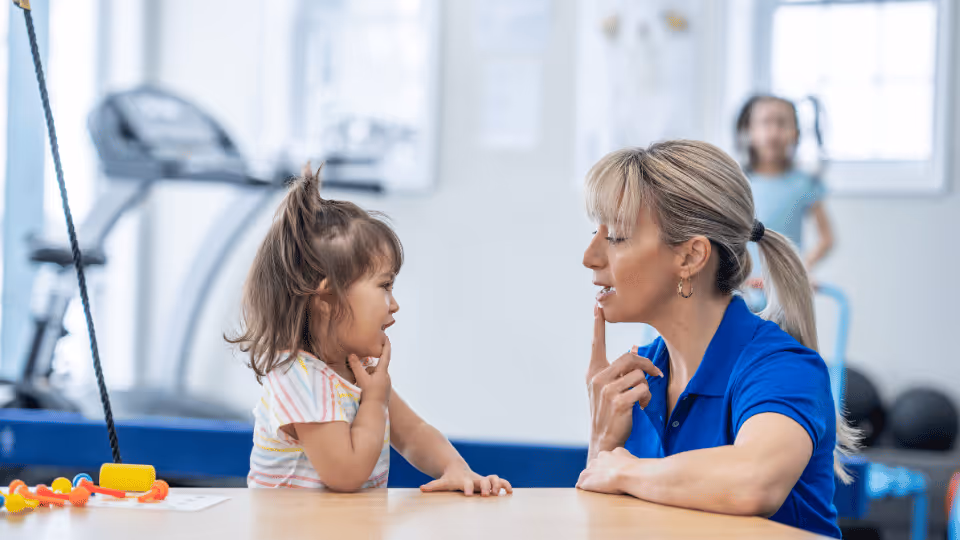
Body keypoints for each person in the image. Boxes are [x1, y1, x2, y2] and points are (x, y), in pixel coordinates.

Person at [575, 141, 857, 538]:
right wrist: (600, 445)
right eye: (595, 233)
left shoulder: (782, 368)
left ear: (690, 257)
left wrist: (620, 467)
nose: (590, 256)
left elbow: (753, 480)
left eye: (616, 237)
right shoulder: (634, 381)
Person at [228, 165, 512, 495]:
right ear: (328, 298)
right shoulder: (299, 377)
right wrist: (375, 402)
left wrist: (456, 468)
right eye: (384, 286)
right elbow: (346, 474)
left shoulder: (355, 373)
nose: (394, 305)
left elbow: (415, 433)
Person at [735, 95, 835, 306]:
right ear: (749, 132)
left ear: (796, 133)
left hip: (786, 292)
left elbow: (826, 238)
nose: (773, 132)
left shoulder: (804, 184)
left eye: (781, 123)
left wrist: (802, 269)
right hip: (744, 291)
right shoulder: (737, 182)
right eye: (765, 123)